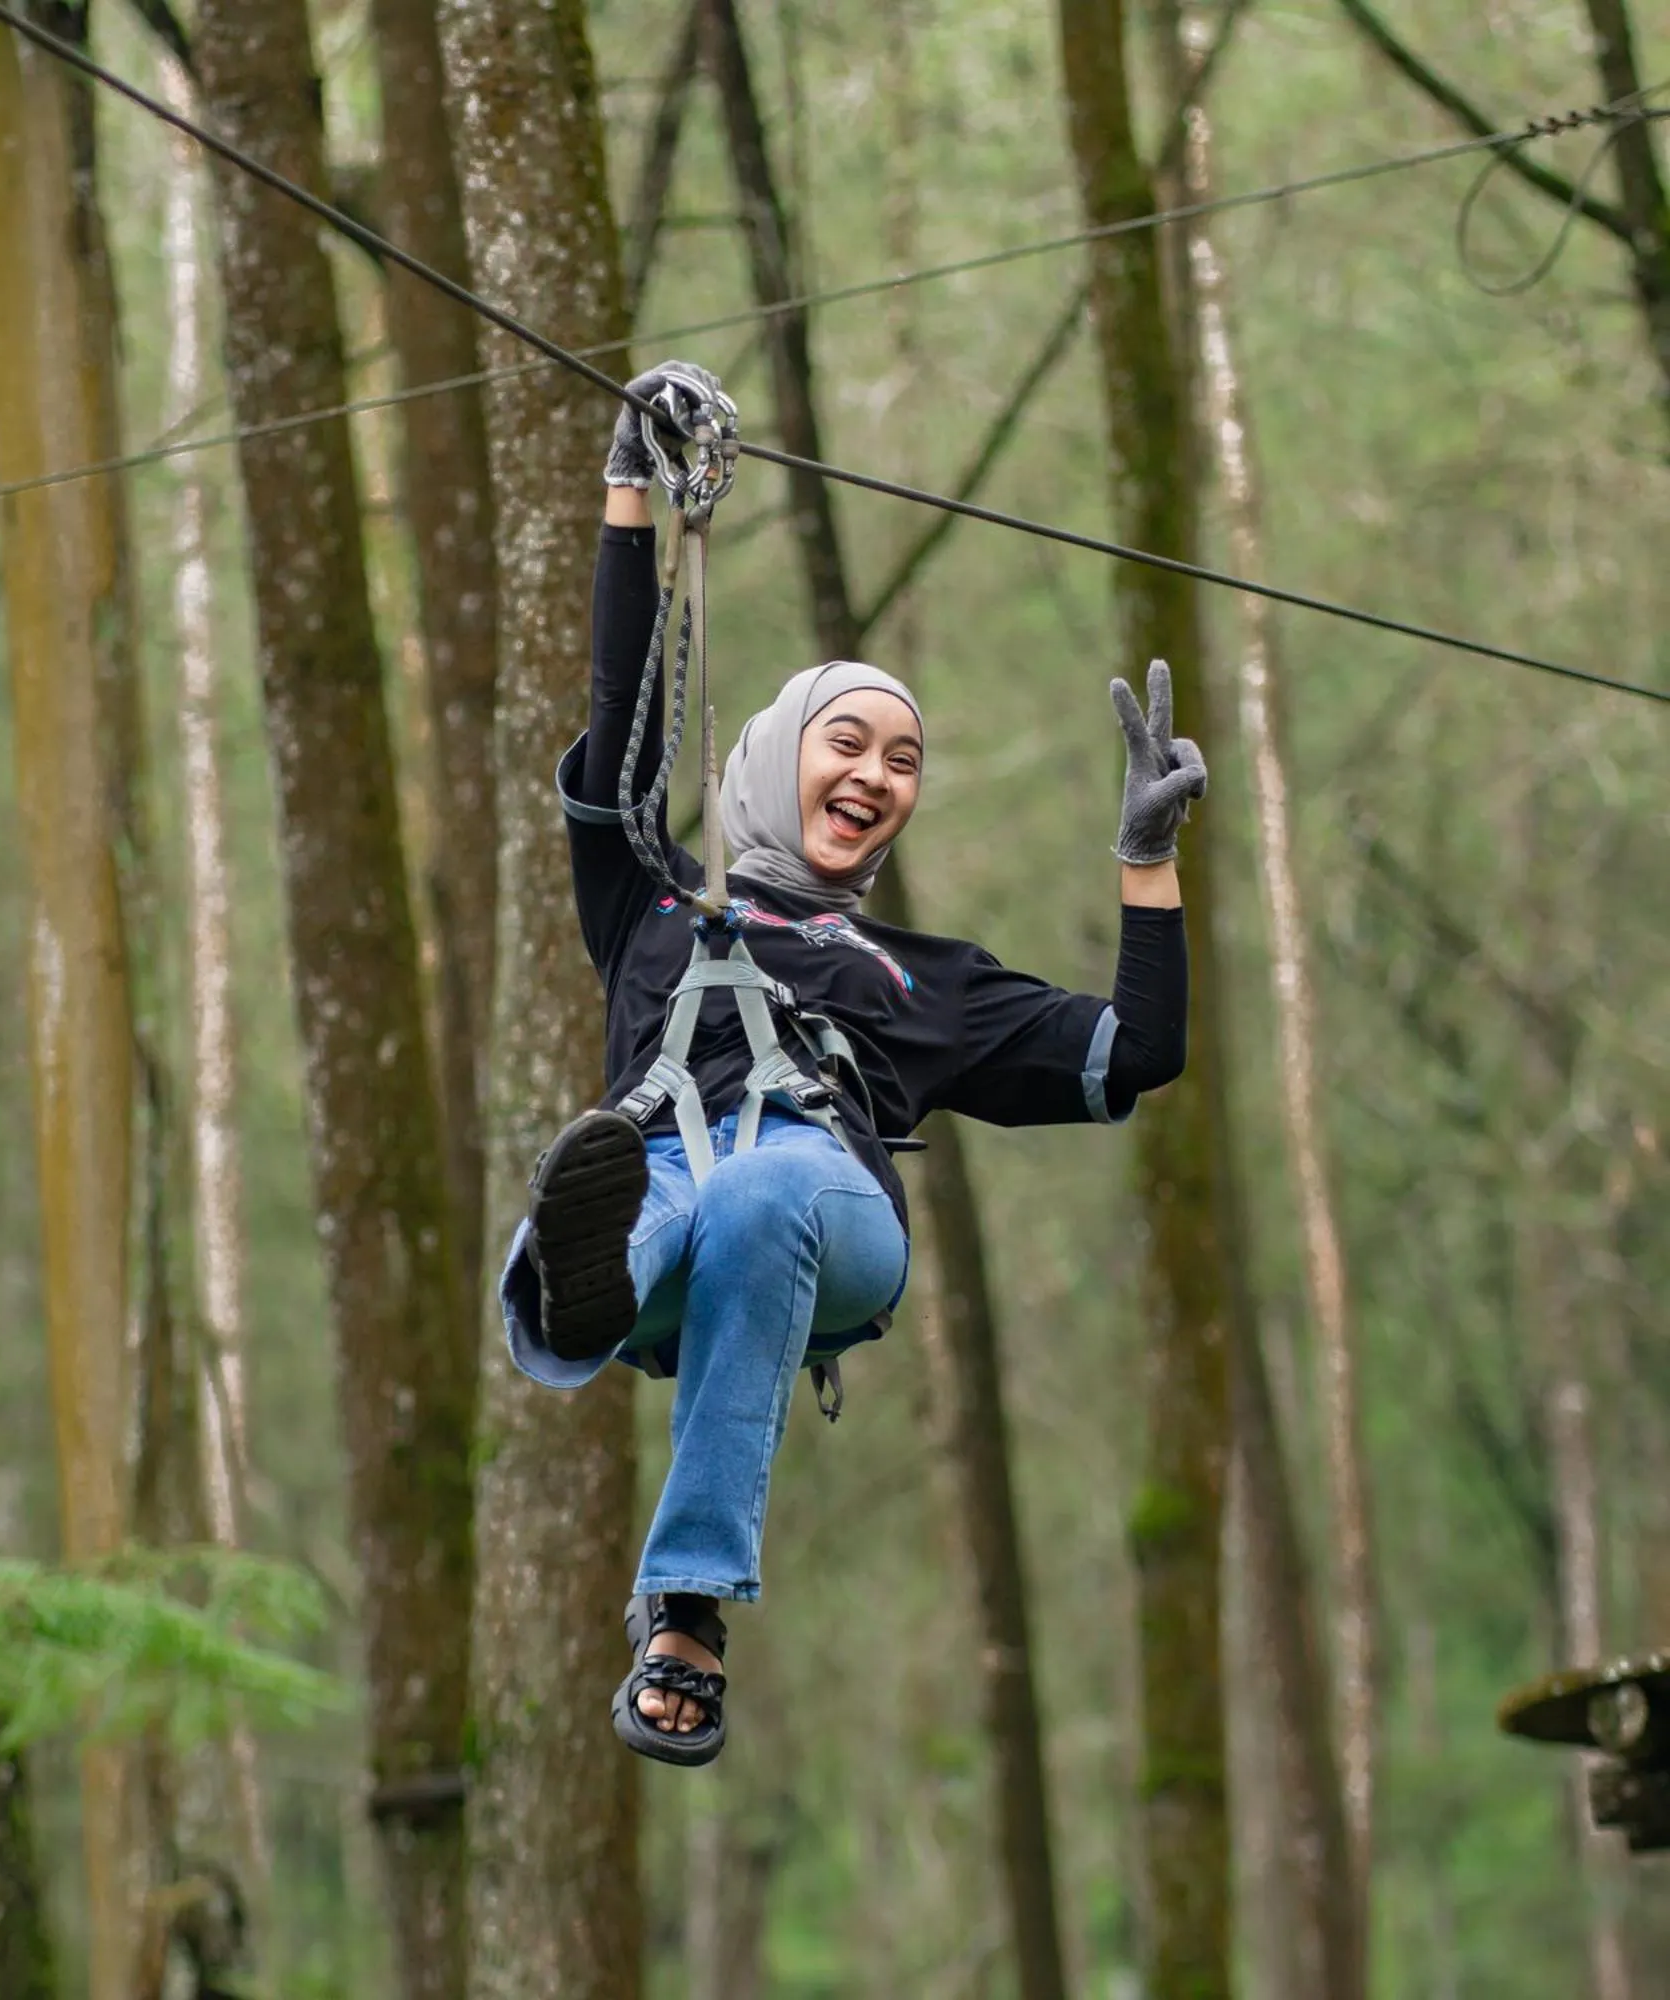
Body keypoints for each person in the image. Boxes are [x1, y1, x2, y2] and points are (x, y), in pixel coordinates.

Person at [497, 361, 1204, 1768]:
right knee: (643, 1187)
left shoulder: (928, 982)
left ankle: (685, 1607)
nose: (878, 775)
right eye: (850, 741)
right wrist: (629, 485)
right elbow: (623, 709)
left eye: (906, 759)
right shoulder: (650, 897)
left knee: (764, 1193)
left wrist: (1147, 866)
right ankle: (589, 1293)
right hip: (664, 1185)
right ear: (773, 755)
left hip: (830, 1220)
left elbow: (1139, 1054)